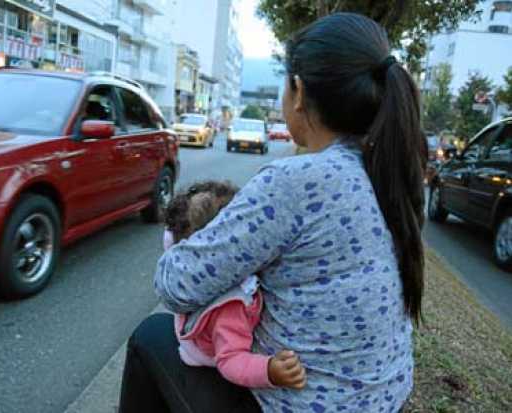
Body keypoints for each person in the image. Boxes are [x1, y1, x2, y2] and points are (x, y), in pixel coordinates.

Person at [120, 12, 425, 413]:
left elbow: (176, 283)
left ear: (298, 92)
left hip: (304, 404)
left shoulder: (298, 180)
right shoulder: (389, 171)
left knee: (150, 336)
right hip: (384, 400)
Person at [163, 181, 306, 390]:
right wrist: (270, 371)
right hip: (212, 368)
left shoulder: (195, 275)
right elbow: (230, 360)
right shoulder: (231, 305)